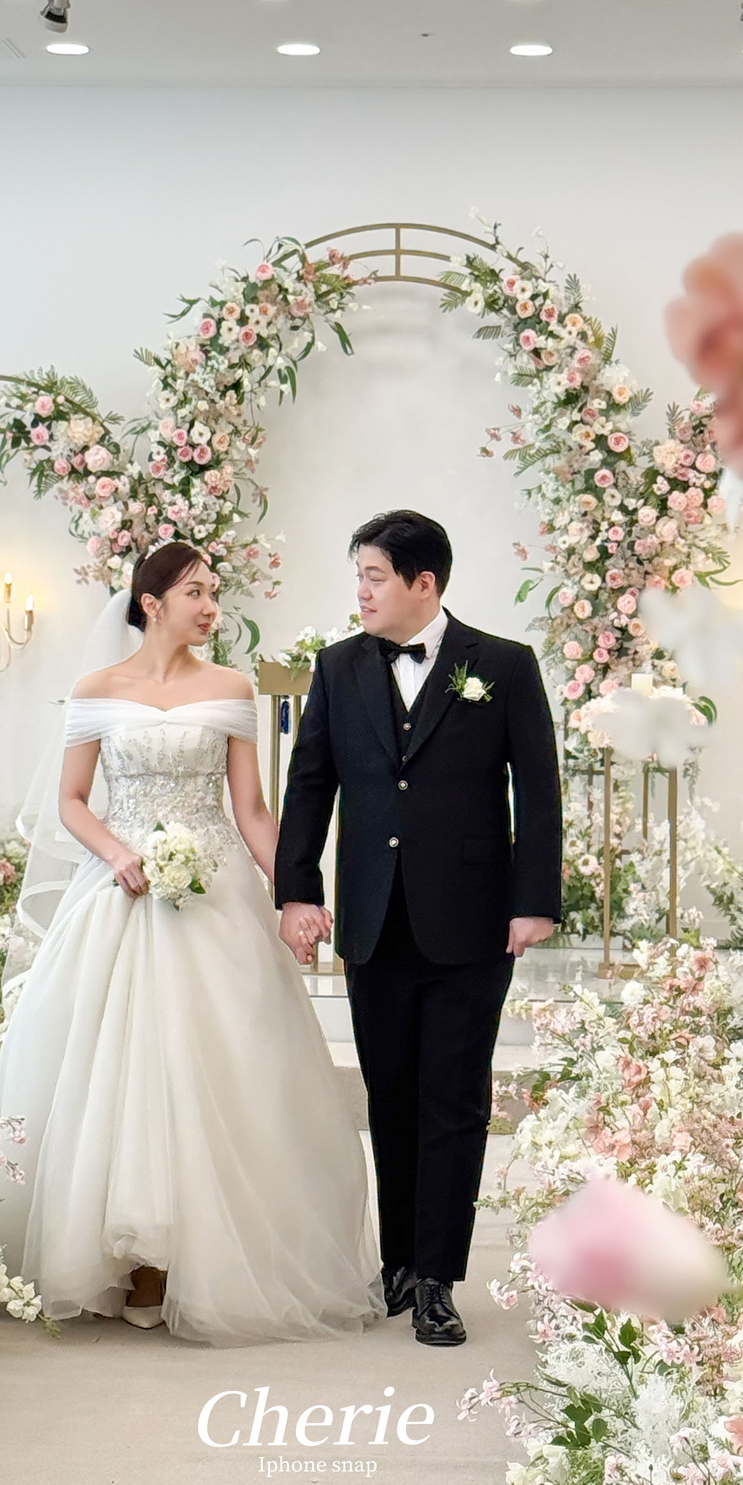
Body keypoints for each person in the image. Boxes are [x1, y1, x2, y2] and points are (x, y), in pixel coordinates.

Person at [0, 541, 386, 1347]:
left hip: (214, 892)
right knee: (118, 1067)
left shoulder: (230, 688)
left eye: (214, 593)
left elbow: (253, 810)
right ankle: (122, 1255)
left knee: (224, 1061)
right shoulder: (97, 689)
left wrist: (295, 892)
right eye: (196, 592)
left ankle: (203, 1258)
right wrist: (118, 853)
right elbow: (71, 800)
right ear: (151, 601)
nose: (211, 608)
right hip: (121, 891)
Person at [274, 510, 563, 1347]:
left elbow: (538, 786)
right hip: (373, 920)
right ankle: (398, 1261)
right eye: (359, 575)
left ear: (423, 583)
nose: (360, 592)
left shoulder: (503, 665)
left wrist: (534, 899)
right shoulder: (337, 667)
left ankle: (439, 1278)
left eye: (374, 576)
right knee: (391, 1097)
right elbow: (310, 783)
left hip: (472, 921)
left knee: (454, 1100)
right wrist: (297, 890)